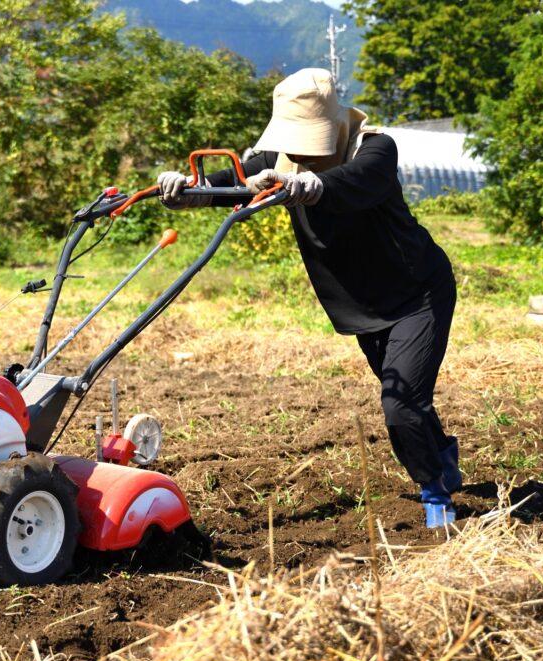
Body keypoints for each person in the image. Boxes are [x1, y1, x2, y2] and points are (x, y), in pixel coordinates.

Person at [157, 68, 461, 528]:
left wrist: (318, 186)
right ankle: (440, 452)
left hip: (418, 293)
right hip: (363, 302)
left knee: (400, 403)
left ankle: (434, 490)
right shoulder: (276, 158)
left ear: (334, 127)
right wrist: (188, 193)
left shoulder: (375, 147)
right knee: (405, 394)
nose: (298, 153)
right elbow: (232, 182)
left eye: (308, 142)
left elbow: (357, 179)